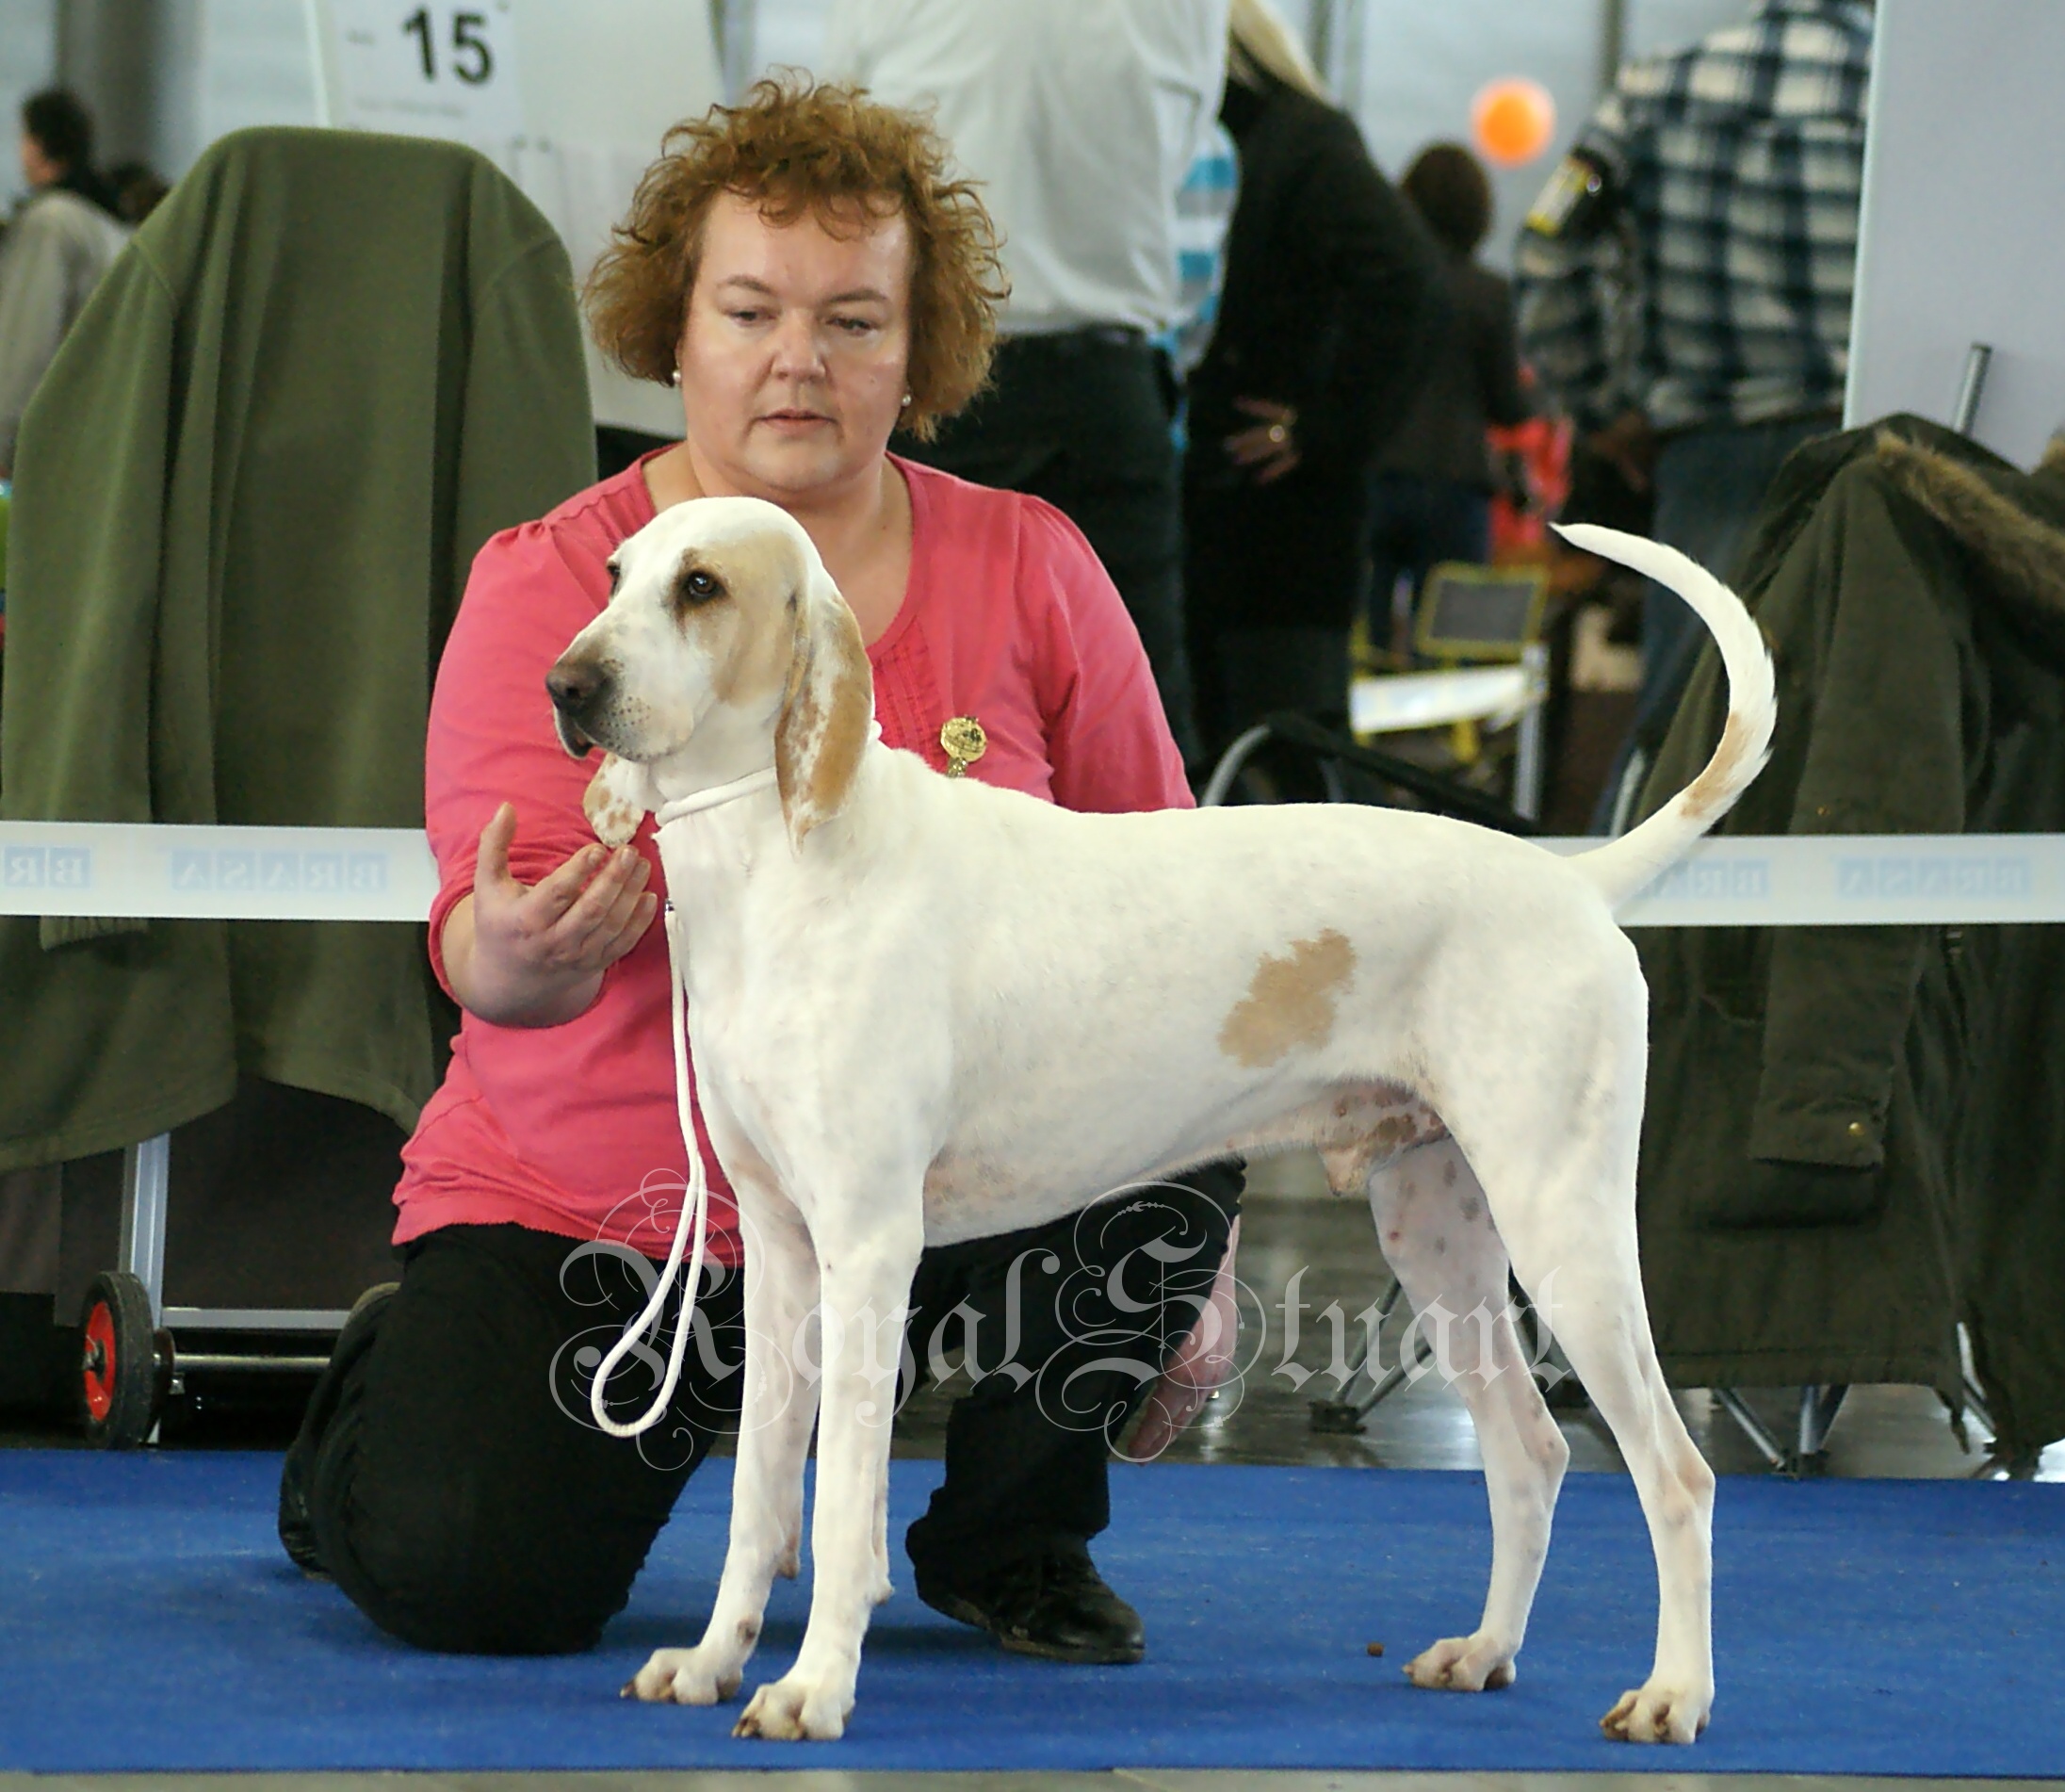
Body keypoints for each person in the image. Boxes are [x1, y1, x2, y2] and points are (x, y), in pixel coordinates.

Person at [277, 78, 1242, 1670]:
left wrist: (1184, 1264)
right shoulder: (546, 585)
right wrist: (521, 953)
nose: (801, 358)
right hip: (609, 1208)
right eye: (752, 310)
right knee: (471, 1586)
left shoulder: (1035, 564)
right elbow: (484, 948)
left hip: (940, 1182)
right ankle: (376, 1412)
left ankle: (1011, 1540)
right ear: (677, 330)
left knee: (1164, 1113)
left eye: (856, 321)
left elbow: (1173, 895)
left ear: (916, 354)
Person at [821, 0, 1231, 773]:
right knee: (1136, 735)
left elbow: (849, 159)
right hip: (1103, 382)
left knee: (905, 721)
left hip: (945, 376)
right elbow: (1179, 157)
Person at [1514, 0, 1872, 752]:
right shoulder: (1892, 88)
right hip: (1863, 463)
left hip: (1705, 463)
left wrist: (1605, 412)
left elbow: (1547, 249)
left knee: (1686, 736)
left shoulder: (1652, 89)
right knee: (1855, 737)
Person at [1180, 0, 1439, 761]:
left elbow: (1408, 281)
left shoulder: (1299, 143)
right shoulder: (1279, 139)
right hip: (1244, 514)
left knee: (1289, 765)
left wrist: (1326, 431)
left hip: (1278, 529)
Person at [1365, 142, 1530, 661]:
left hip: (1375, 471)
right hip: (1456, 481)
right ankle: (1439, 738)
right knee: (1446, 646)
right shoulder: (1491, 293)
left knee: (1360, 639)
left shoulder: (1380, 279)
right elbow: (1508, 406)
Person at [0, 90, 128, 475]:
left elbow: (28, 343)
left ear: (38, 145)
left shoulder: (51, 223)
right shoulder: (108, 226)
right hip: (102, 447)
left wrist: (4, 444)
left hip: (54, 454)